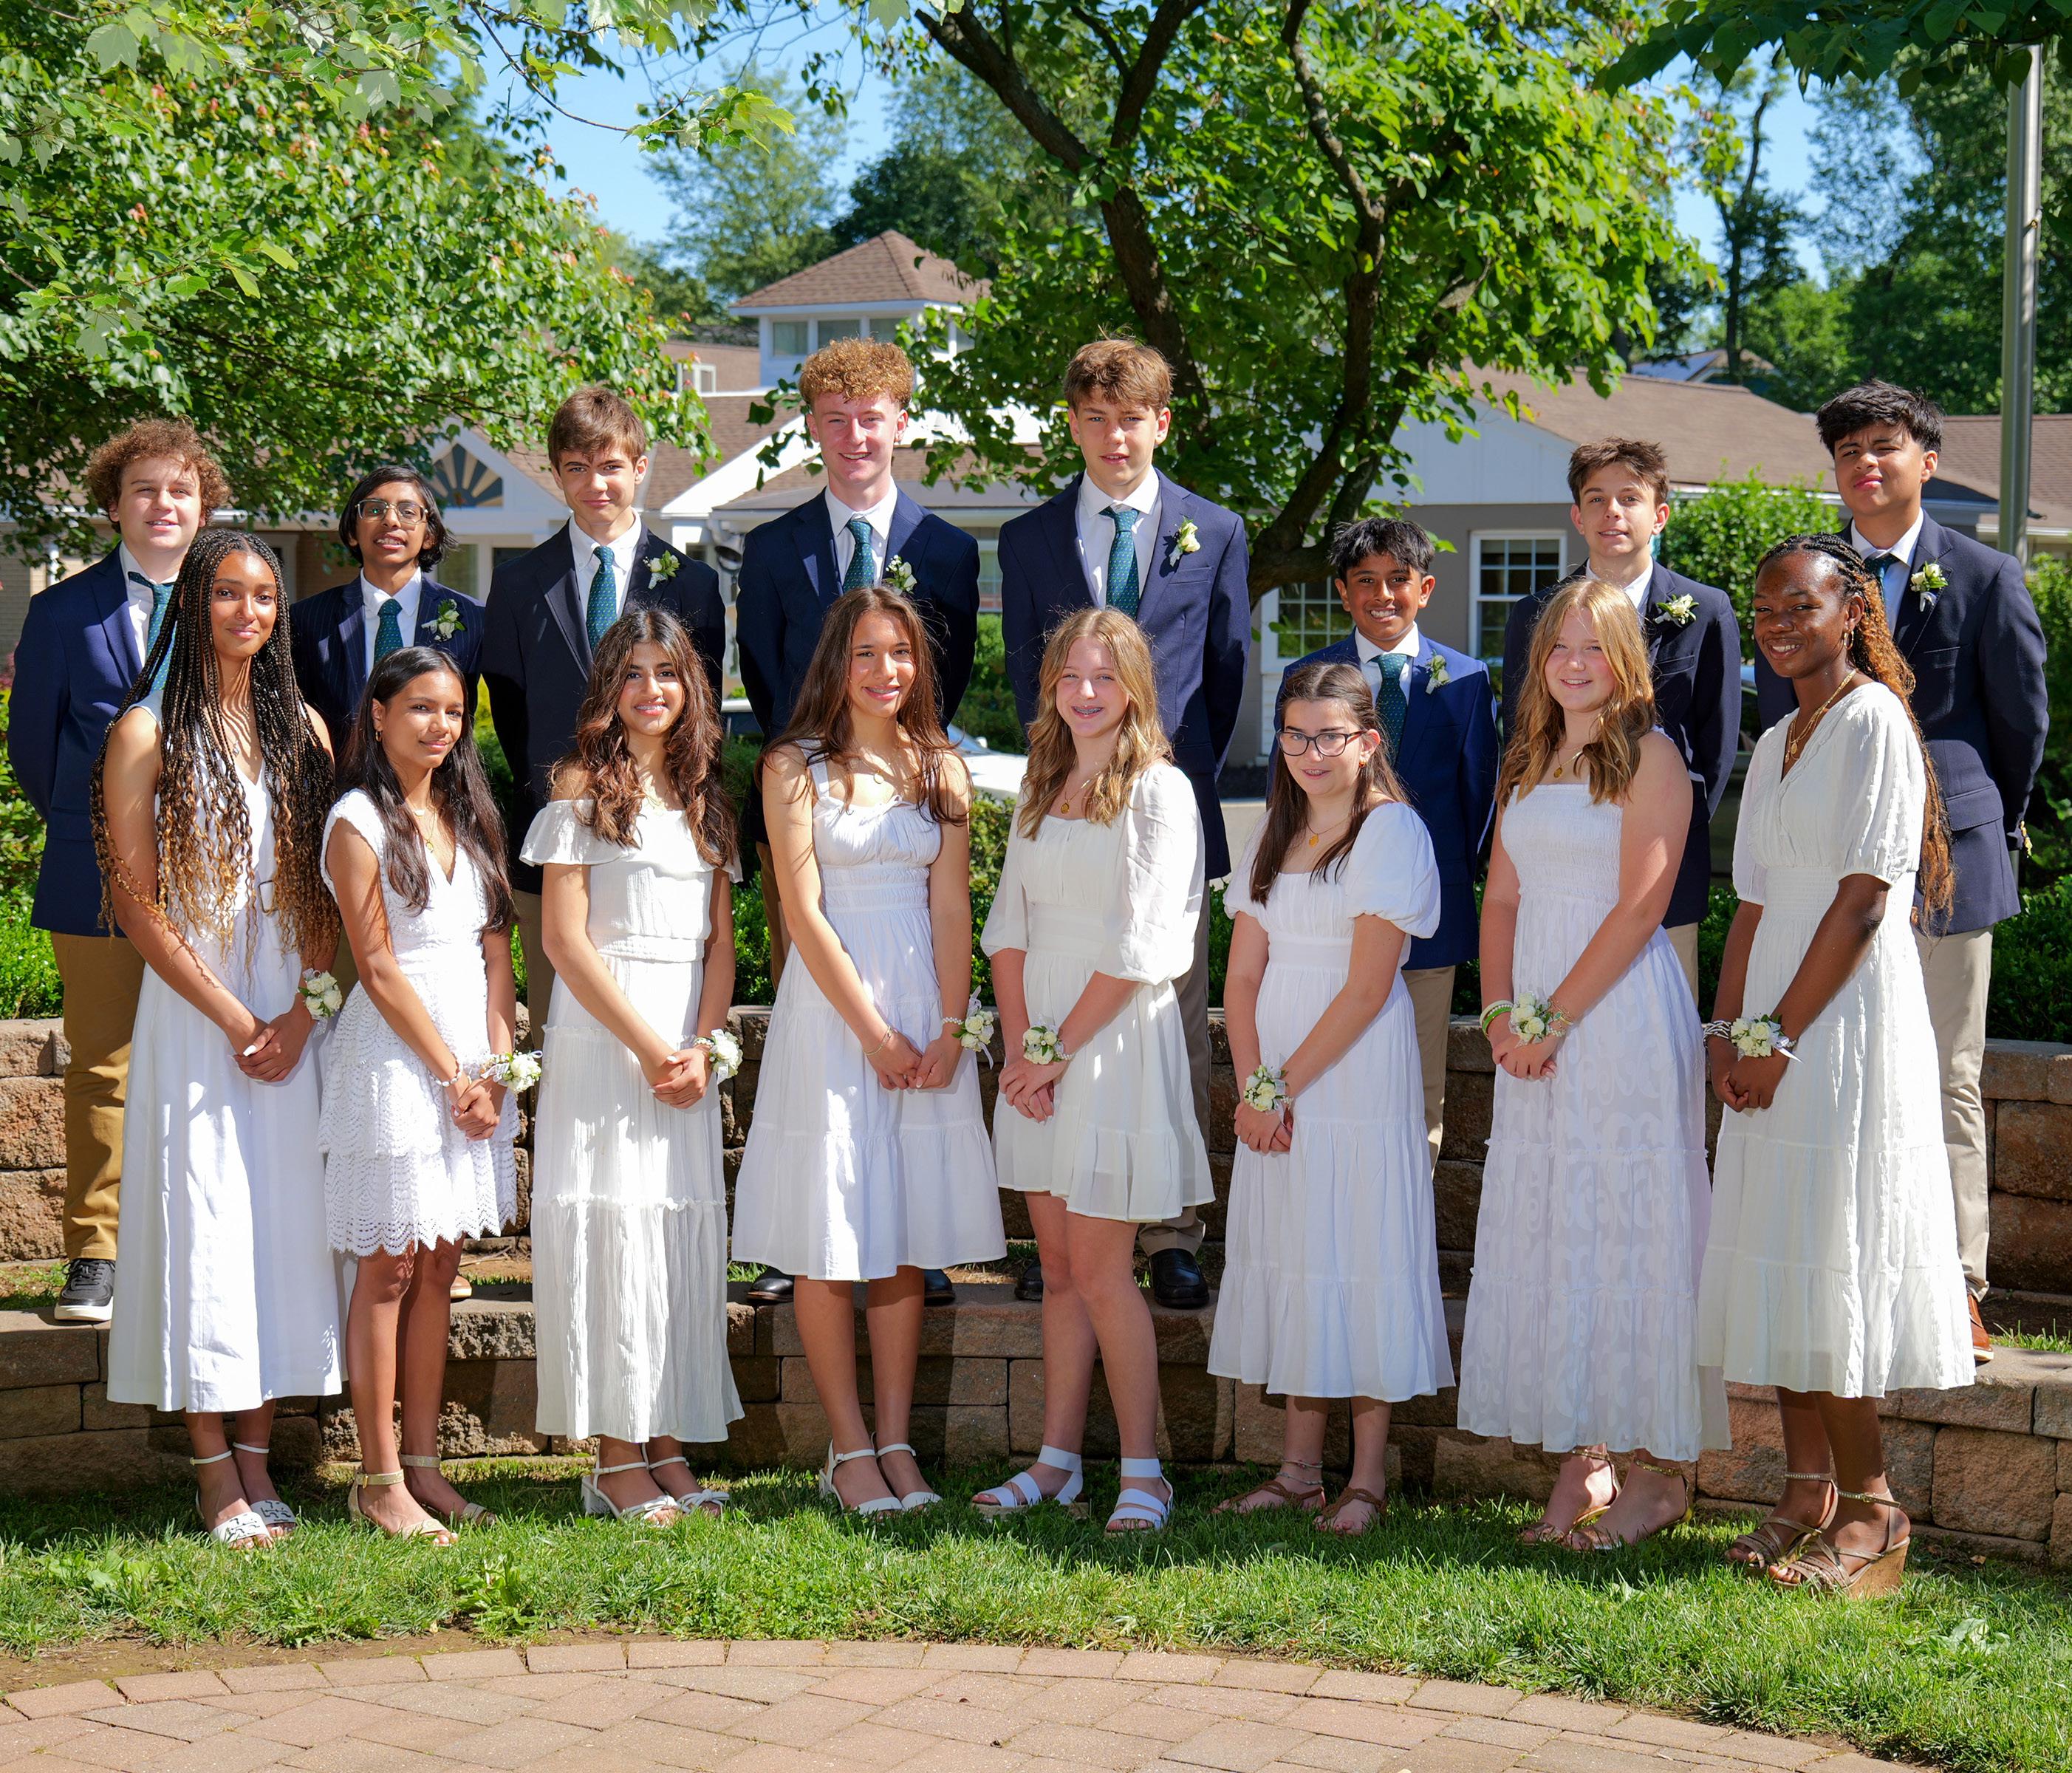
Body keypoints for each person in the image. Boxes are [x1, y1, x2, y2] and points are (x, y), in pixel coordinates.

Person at [1701, 535, 1974, 1596]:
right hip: (1772, 1014)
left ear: (1851, 611)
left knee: (1827, 1246)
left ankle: (1874, 1509)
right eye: (1764, 610)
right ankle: (1803, 1491)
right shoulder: (1777, 737)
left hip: (1841, 1018)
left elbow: (1863, 901)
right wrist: (1725, 1031)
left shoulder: (1875, 723)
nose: (1776, 624)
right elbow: (1752, 904)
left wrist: (1777, 1038)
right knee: (1780, 1243)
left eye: (1798, 606)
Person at [1753, 384, 2048, 1364]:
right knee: (1836, 1071)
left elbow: (2021, 726)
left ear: (1927, 459)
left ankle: (1956, 1286)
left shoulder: (1985, 575)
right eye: (1847, 452)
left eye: (1883, 446)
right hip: (1824, 868)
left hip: (1943, 866)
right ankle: (1843, 1272)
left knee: (1946, 1075)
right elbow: (1782, 714)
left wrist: (1970, 820)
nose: (1864, 465)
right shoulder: (1802, 577)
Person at [1460, 577, 1726, 1551]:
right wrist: (1500, 1015)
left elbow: (1641, 908)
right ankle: (1584, 1463)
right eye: (1559, 649)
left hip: (1614, 1018)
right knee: (1556, 1227)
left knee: (1630, 1226)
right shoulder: (1530, 757)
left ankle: (1656, 1479)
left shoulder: (1654, 756)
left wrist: (1554, 1023)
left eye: (1593, 648)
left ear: (1625, 662)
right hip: (1533, 1017)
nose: (1574, 666)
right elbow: (1499, 900)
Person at [93, 528, 345, 1547]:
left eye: (266, 597)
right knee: (203, 1224)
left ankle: (258, 1454)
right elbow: (136, 902)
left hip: (290, 1009)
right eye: (230, 594)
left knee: (281, 1226)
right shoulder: (145, 732)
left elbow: (329, 893)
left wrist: (302, 1012)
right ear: (193, 603)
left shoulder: (307, 731)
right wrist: (240, 1019)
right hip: (200, 1019)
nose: (250, 613)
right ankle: (213, 1472)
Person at [731, 587, 1003, 1516]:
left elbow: (953, 906)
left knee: (904, 1233)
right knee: (832, 1229)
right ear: (836, 665)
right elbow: (801, 913)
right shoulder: (792, 765)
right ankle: (847, 1451)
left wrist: (952, 1028)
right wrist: (874, 1033)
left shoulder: (943, 766)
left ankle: (896, 1444)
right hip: (833, 1012)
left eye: (901, 653)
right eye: (866, 654)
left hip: (924, 1005)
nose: (887, 671)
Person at [997, 338, 1249, 1311]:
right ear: (1072, 425)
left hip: (1160, 815)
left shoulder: (1214, 530)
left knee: (1170, 1020)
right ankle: (1062, 1222)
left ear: (1161, 425)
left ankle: (1171, 1232)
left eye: (1132, 419)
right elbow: (1028, 675)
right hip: (1068, 804)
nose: (1114, 437)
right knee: (1061, 995)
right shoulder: (1028, 539)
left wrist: (1165, 782)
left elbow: (1224, 675)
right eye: (1096, 419)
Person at [733, 336, 979, 1311]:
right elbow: (767, 678)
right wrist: (816, 771)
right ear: (812, 429)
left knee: (911, 1036)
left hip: (905, 810)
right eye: (833, 421)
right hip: (809, 811)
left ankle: (916, 1240)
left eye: (870, 419)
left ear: (900, 424)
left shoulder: (949, 551)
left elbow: (944, 684)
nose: (853, 437)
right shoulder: (772, 549)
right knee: (818, 1035)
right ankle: (811, 1237)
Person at [976, 607, 1212, 1534]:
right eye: (1070, 676)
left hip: (1109, 1044)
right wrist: (1021, 1046)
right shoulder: (1041, 786)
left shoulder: (1160, 791)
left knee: (1108, 1272)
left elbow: (1145, 945)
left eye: (1104, 677)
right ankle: (1058, 1463)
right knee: (1060, 1270)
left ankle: (1146, 1473)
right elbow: (1007, 927)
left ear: (1135, 689)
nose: (1085, 693)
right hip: (1039, 1044)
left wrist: (1053, 1053)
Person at [1208, 661, 1451, 1535]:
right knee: (1299, 1249)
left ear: (1368, 741)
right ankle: (1298, 1472)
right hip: (1274, 1078)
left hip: (1352, 1074)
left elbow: (1366, 987)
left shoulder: (1391, 833)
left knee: (1359, 1248)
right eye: (1295, 735)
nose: (1311, 753)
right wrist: (1253, 1088)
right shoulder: (1273, 829)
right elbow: (1241, 977)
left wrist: (1278, 1088)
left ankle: (1367, 1480)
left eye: (1330, 736)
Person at [524, 608, 742, 1525]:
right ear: (609, 689)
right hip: (607, 1046)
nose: (653, 690)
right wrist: (652, 1048)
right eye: (634, 673)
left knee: (672, 1239)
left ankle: (668, 1445)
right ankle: (616, 1462)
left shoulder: (706, 799)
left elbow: (722, 944)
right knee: (613, 1237)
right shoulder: (580, 790)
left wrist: (703, 1046)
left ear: (691, 687)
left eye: (669, 672)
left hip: (682, 1053)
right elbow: (564, 942)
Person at [9, 420, 226, 1325]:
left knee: (210, 1061)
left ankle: (196, 1242)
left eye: (180, 490)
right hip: (92, 876)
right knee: (104, 1063)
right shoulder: (62, 613)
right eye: (144, 489)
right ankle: (95, 1253)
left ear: (203, 507)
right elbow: (32, 752)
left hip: (213, 882)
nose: (162, 504)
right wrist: (102, 827)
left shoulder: (235, 602)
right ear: (113, 505)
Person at [319, 646, 517, 1540]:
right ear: (380, 714)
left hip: (473, 1058)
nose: (441, 725)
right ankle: (379, 1478)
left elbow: (498, 956)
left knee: (442, 1263)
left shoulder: (469, 813)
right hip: (398, 1059)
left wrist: (497, 1071)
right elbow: (376, 965)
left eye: (453, 712)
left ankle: (428, 1467)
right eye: (421, 708)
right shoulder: (356, 820)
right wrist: (452, 1075)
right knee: (391, 1265)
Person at [482, 385, 725, 1042]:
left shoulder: (694, 586)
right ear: (556, 472)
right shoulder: (516, 585)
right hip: (558, 837)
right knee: (564, 1030)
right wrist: (566, 794)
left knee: (665, 1022)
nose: (596, 484)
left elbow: (700, 716)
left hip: (661, 842)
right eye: (578, 468)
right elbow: (511, 712)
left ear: (640, 467)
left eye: (611, 466)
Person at [1283, 519, 1497, 1168]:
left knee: (1420, 1089)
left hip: (1427, 919)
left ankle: (1410, 1218)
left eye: (1397, 580)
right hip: (1329, 917)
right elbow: (1288, 797)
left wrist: (1446, 885)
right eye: (1365, 581)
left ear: (1424, 589)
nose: (1382, 595)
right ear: (1343, 592)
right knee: (1326, 1077)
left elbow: (1478, 802)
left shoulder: (1466, 680)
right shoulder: (1306, 676)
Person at [1500, 440, 1741, 997]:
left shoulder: (1706, 611)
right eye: (1597, 498)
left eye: (1629, 498)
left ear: (1659, 515)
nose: (1612, 511)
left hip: (1661, 872)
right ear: (1577, 516)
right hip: (1556, 866)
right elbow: (1521, 734)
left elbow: (1715, 745)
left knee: (1659, 1020)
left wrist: (1656, 832)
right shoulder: (1534, 615)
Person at [291, 465, 486, 746]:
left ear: (429, 535)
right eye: (374, 510)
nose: (391, 520)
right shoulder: (307, 619)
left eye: (408, 511)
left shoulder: (473, 618)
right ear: (352, 532)